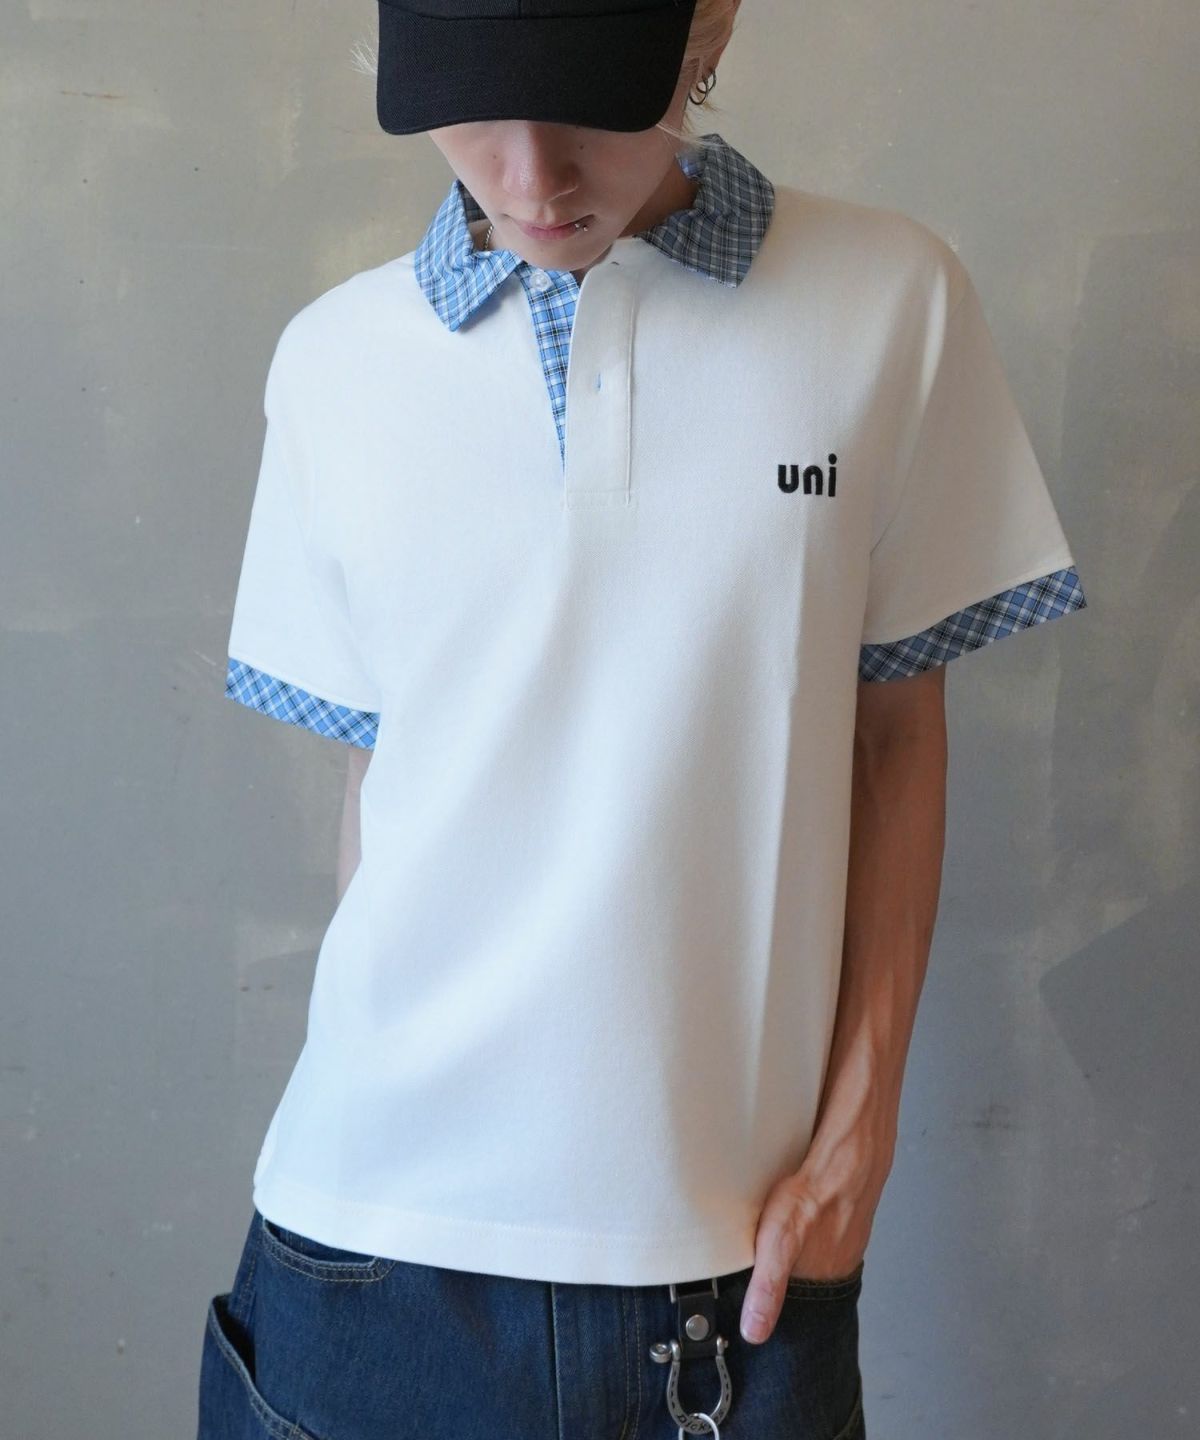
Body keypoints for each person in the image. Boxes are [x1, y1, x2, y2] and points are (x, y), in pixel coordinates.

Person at [198, 1, 1089, 1436]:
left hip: (732, 1283)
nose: (531, 175)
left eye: (587, 102)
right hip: (359, 1261)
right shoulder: (334, 362)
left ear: (706, 25)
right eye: (472, 108)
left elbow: (895, 739)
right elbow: (391, 785)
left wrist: (861, 1136)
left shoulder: (887, 300)